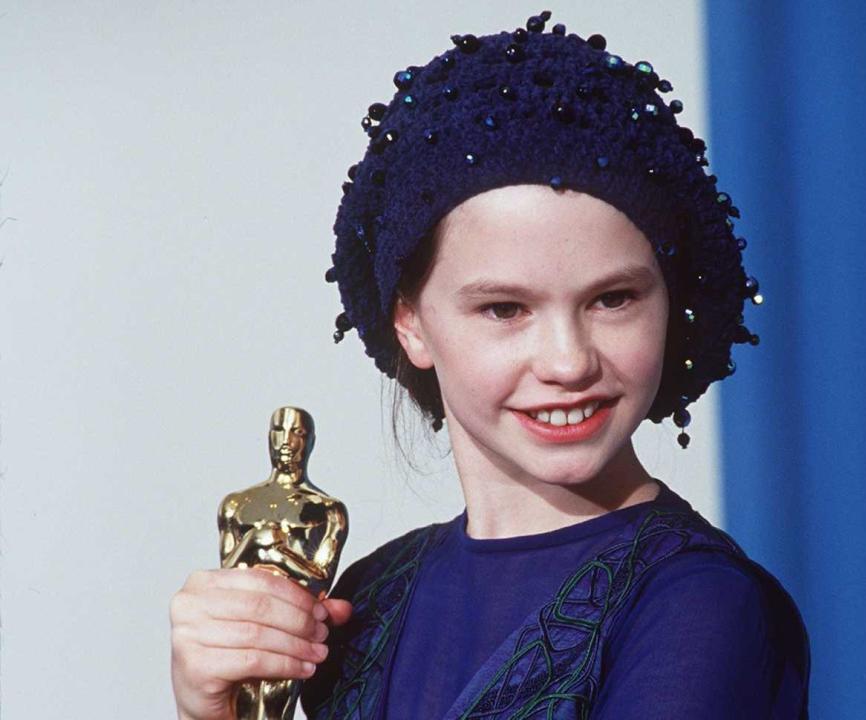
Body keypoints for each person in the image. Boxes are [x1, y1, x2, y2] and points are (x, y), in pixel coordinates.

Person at [170, 9, 810, 719]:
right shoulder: (371, 599)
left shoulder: (701, 608)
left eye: (614, 298)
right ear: (409, 322)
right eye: (505, 309)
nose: (568, 361)